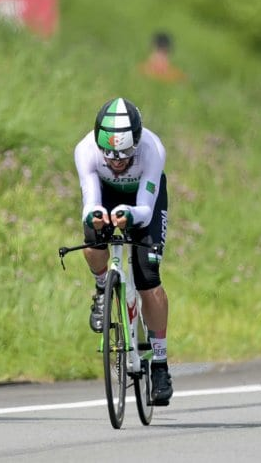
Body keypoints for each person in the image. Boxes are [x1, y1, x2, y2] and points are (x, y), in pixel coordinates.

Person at [73, 97, 173, 405]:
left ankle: (159, 364)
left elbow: (145, 206)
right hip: (107, 196)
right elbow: (90, 201)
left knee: (148, 277)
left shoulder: (152, 150)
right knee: (92, 238)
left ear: (138, 143)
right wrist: (94, 216)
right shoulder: (85, 150)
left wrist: (131, 216)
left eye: (125, 154)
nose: (117, 161)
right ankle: (103, 288)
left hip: (144, 203)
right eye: (110, 154)